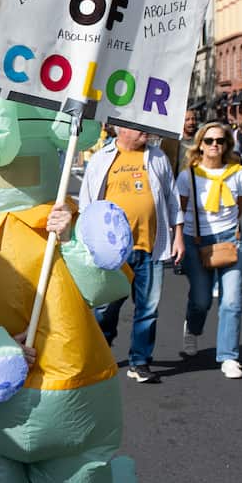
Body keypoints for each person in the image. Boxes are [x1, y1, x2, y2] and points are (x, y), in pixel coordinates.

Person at [79, 126, 185, 383]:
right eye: (139, 128)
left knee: (148, 309)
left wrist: (178, 235)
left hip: (150, 247)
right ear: (121, 129)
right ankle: (101, 352)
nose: (145, 132)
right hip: (113, 252)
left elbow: (172, 199)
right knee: (105, 308)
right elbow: (86, 203)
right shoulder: (102, 159)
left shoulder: (157, 157)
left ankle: (140, 362)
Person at [176, 122, 242, 379]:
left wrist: (227, 230)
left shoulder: (238, 173)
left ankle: (229, 357)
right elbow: (180, 211)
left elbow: (239, 207)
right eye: (209, 141)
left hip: (231, 239)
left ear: (227, 144)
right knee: (201, 299)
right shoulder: (189, 176)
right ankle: (192, 329)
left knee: (232, 301)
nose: (214, 145)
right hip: (196, 241)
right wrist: (179, 241)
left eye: (220, 140)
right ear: (200, 145)